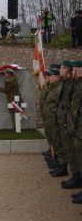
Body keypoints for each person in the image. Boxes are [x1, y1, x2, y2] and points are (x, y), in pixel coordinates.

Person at [67, 61, 82, 203]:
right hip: (75, 126)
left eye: (75, 69)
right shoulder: (74, 84)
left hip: (79, 127)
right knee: (76, 154)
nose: (72, 71)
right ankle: (77, 178)